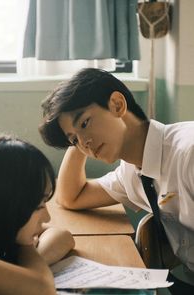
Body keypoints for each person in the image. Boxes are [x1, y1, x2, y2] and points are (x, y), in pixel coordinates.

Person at [39, 68, 194, 292]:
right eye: (73, 140)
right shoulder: (132, 172)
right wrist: (81, 138)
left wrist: (81, 136)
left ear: (117, 105)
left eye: (84, 122)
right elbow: (71, 196)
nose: (84, 144)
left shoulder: (187, 153)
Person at [0, 135, 75, 295]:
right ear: (4, 204)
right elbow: (41, 288)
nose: (47, 217)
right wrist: (22, 278)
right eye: (38, 205)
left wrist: (13, 276)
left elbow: (63, 237)